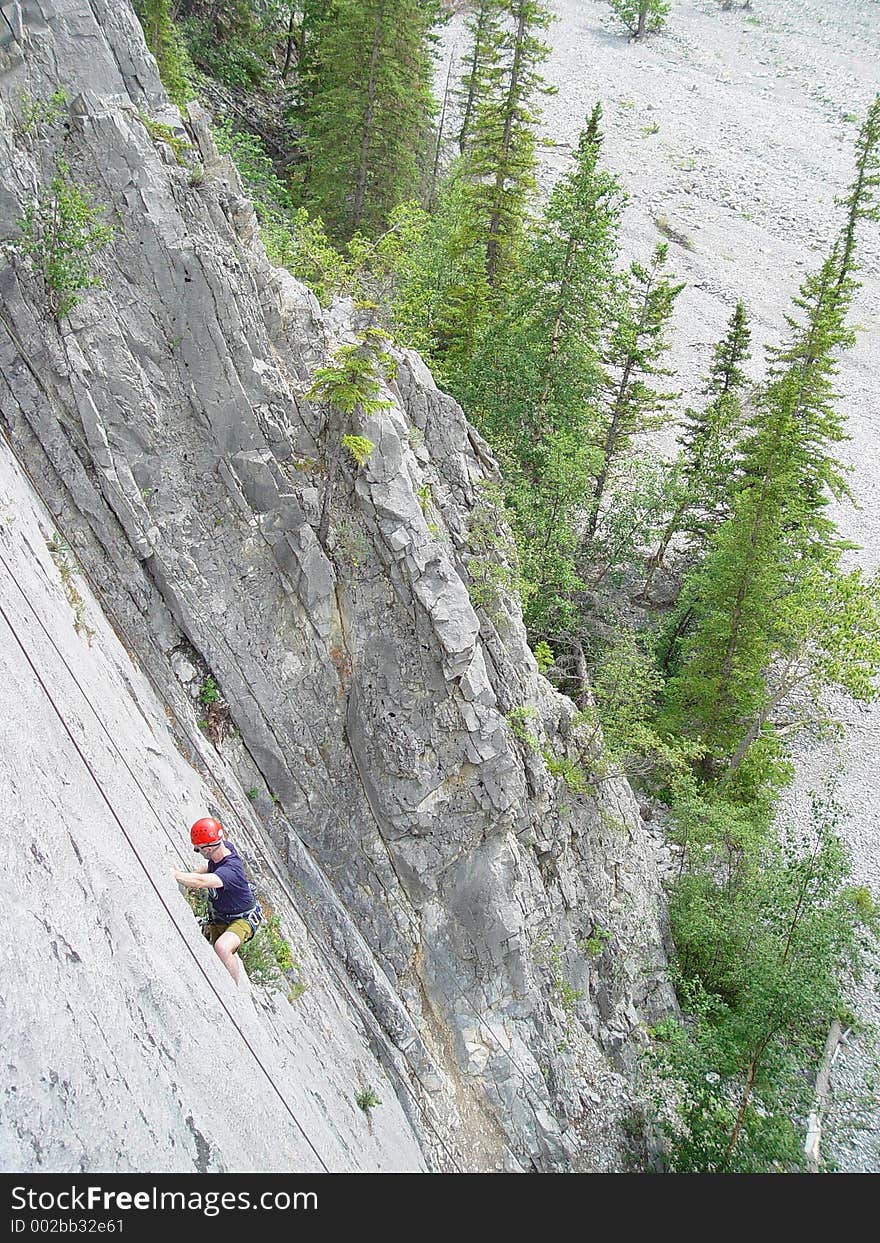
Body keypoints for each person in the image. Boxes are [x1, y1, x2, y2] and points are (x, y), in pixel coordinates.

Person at [172, 816, 262, 985]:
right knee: (215, 951)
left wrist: (177, 875)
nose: (199, 852)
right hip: (220, 916)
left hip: (242, 919)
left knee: (222, 948)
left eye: (199, 849)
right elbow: (209, 869)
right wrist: (189, 874)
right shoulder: (222, 850)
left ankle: (235, 990)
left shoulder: (231, 871)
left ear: (208, 848)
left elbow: (202, 882)